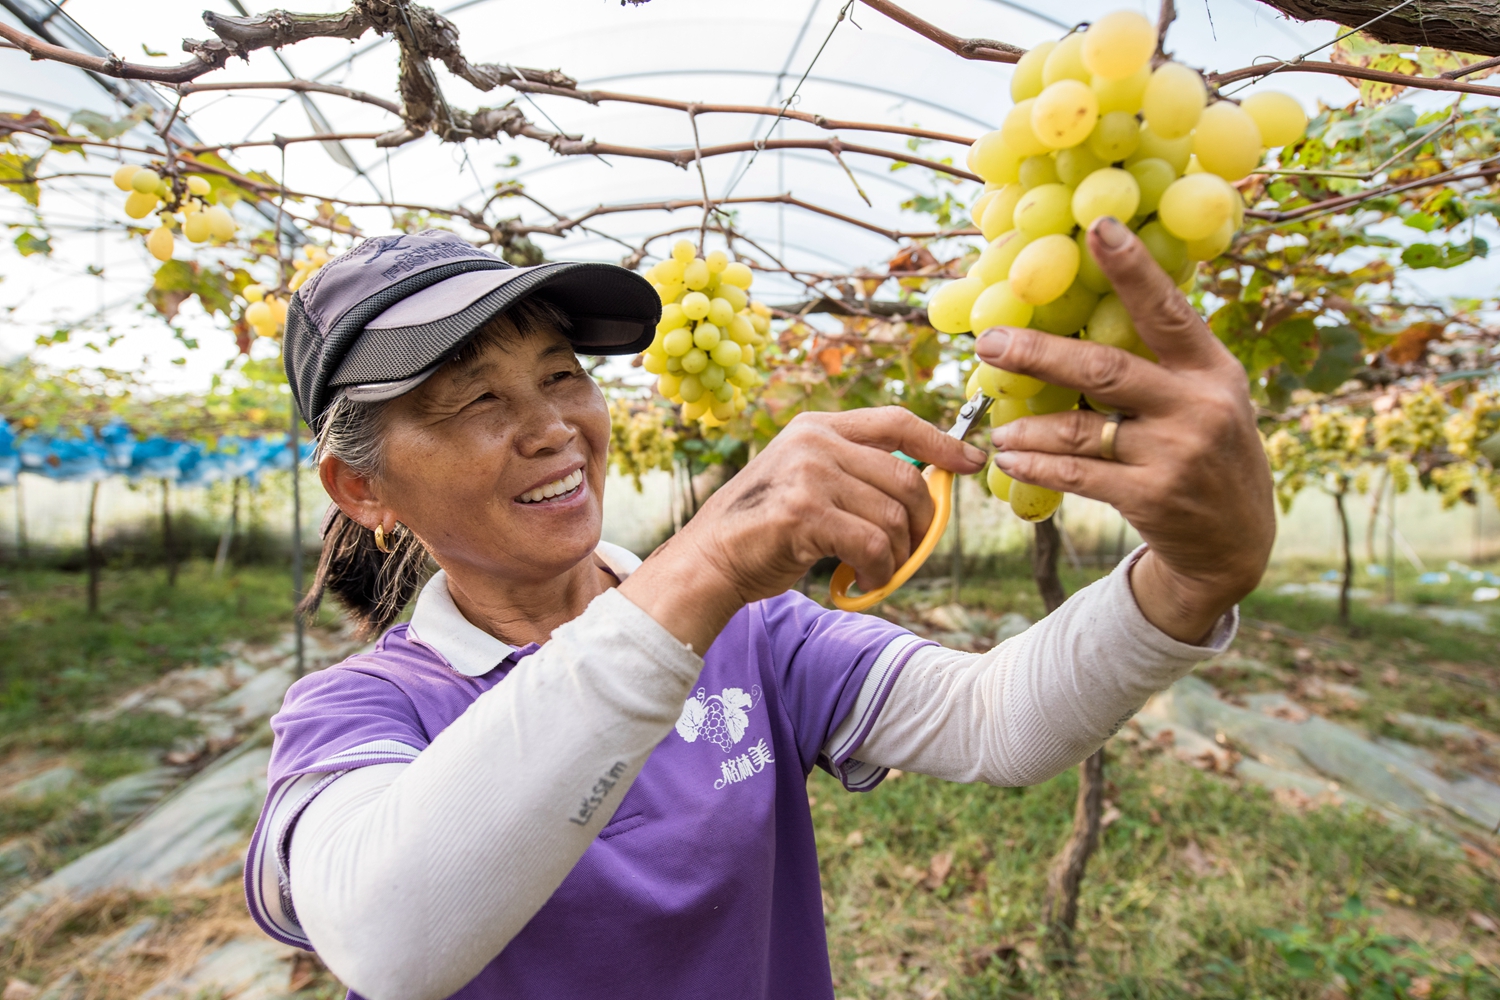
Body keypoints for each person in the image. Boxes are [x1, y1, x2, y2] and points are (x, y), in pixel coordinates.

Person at [244, 222, 1273, 1000]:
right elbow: (388, 935)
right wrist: (707, 560)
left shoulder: (753, 632)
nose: (553, 427)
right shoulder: (358, 712)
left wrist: (1192, 575)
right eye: (476, 400)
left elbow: (992, 719)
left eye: (563, 376)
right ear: (362, 490)